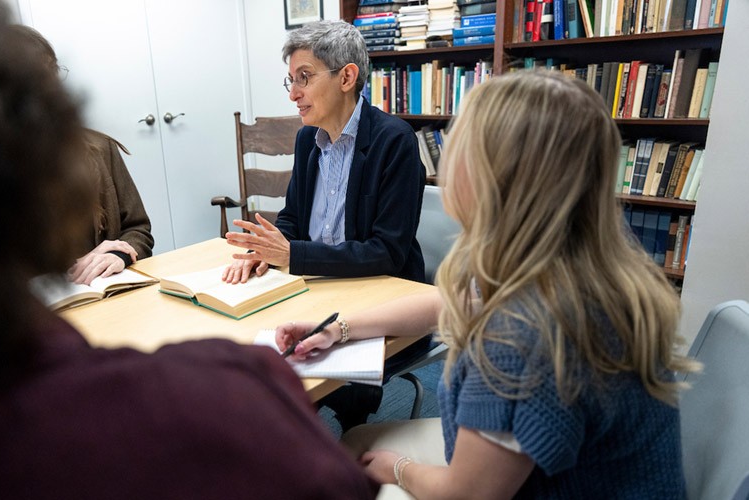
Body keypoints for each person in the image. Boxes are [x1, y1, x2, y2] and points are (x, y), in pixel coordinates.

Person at [0, 2, 376, 498]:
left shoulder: (385, 141)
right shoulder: (232, 395)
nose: (294, 93)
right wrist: (276, 248)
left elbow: (139, 230)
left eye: (303, 78)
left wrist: (122, 248)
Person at [274, 71, 699, 498]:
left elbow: (469, 495)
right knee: (354, 445)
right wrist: (336, 329)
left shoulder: (518, 334)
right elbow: (449, 301)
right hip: (603, 478)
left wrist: (398, 469)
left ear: (490, 177)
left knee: (359, 462)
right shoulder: (577, 265)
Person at [222, 20, 425, 284]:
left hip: (377, 288)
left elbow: (387, 252)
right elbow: (293, 219)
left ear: (346, 78)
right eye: (291, 81)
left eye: (304, 78)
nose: (293, 94)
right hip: (314, 281)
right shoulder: (307, 138)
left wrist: (294, 255)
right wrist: (264, 250)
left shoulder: (395, 141)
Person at [6, 25, 154, 286]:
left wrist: (118, 255)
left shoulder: (100, 147)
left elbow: (138, 229)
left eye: (50, 74)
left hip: (105, 293)